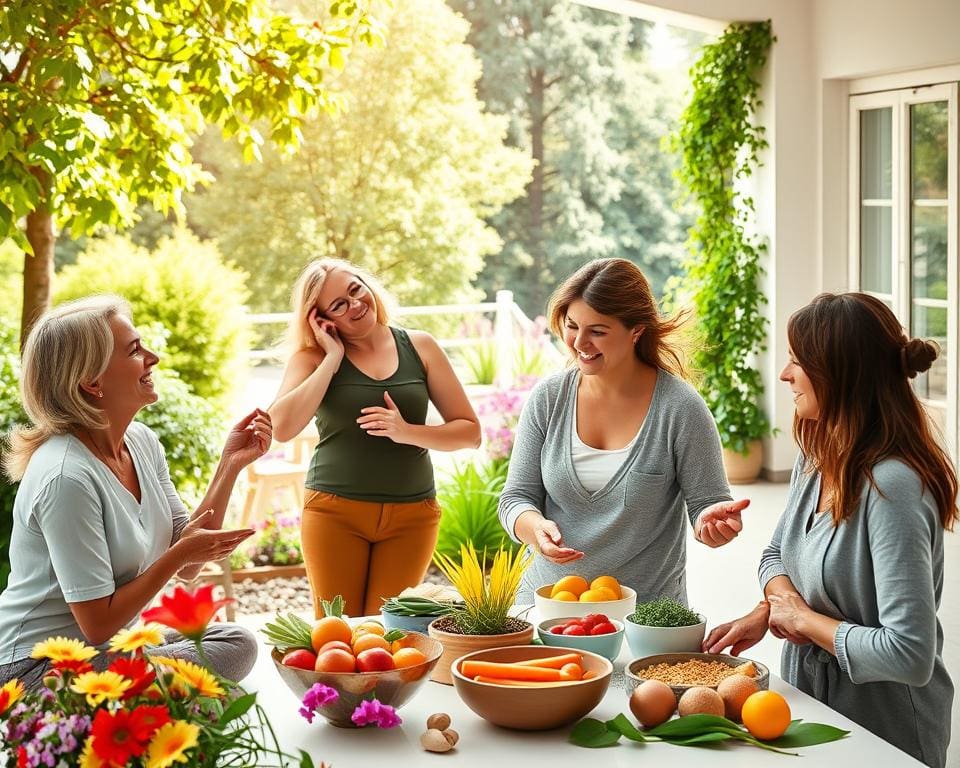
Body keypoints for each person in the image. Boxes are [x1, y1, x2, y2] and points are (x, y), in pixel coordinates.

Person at [704, 292, 956, 768]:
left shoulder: (894, 486)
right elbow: (775, 554)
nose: (784, 374)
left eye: (798, 362)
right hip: (809, 706)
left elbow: (909, 654)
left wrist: (802, 622)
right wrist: (774, 608)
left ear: (841, 375)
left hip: (884, 732)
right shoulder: (820, 454)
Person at [0, 296, 270, 691]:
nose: (153, 357)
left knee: (235, 642)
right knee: (209, 681)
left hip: (108, 651)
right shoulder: (66, 477)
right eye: (135, 350)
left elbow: (189, 560)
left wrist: (230, 465)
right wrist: (180, 554)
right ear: (91, 382)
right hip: (39, 670)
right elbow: (98, 623)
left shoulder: (139, 441)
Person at [497, 258, 749, 604]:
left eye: (598, 331)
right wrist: (532, 528)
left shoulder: (680, 408)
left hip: (646, 617)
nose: (579, 343)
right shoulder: (548, 398)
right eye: (572, 326)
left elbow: (708, 505)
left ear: (636, 330)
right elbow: (515, 498)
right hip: (547, 606)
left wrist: (713, 525)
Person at [269, 258, 481, 617]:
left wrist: (407, 431)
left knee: (390, 632)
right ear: (320, 319)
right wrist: (331, 359)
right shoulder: (312, 359)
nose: (355, 304)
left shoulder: (421, 347)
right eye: (338, 305)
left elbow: (470, 432)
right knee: (339, 632)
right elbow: (281, 427)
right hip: (335, 513)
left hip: (413, 516)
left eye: (356, 290)